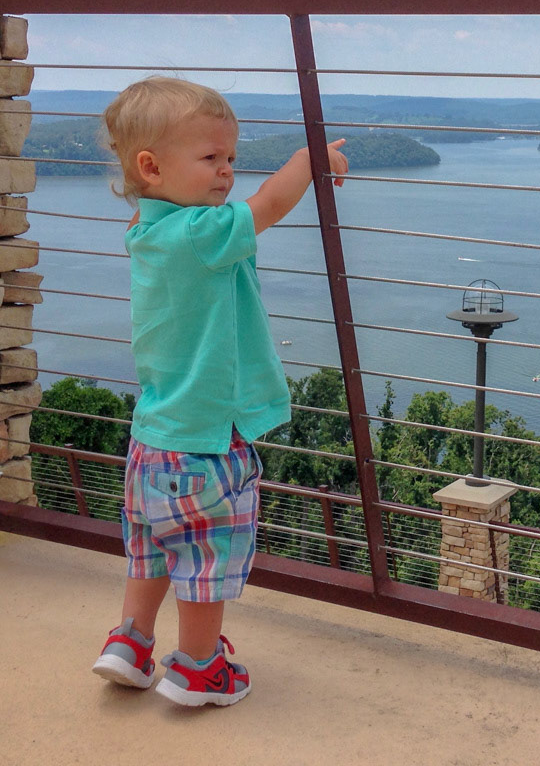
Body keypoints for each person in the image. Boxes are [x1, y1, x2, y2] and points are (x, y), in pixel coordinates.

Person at [90, 76, 347, 707]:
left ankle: (130, 641)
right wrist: (308, 161)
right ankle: (200, 669)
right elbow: (269, 206)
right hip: (206, 445)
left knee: (150, 549)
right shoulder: (202, 235)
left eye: (230, 159)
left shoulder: (148, 228)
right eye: (211, 159)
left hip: (152, 440)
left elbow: (184, 206)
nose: (227, 173)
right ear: (151, 167)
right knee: (205, 562)